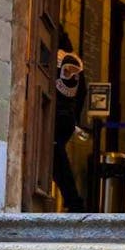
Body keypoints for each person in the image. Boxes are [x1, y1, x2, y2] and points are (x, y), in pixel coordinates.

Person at [52, 48, 88, 213]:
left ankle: (74, 202)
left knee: (57, 160)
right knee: (56, 160)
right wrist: (75, 120)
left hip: (54, 118)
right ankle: (73, 202)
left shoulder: (56, 58)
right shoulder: (76, 63)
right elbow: (81, 94)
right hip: (66, 119)